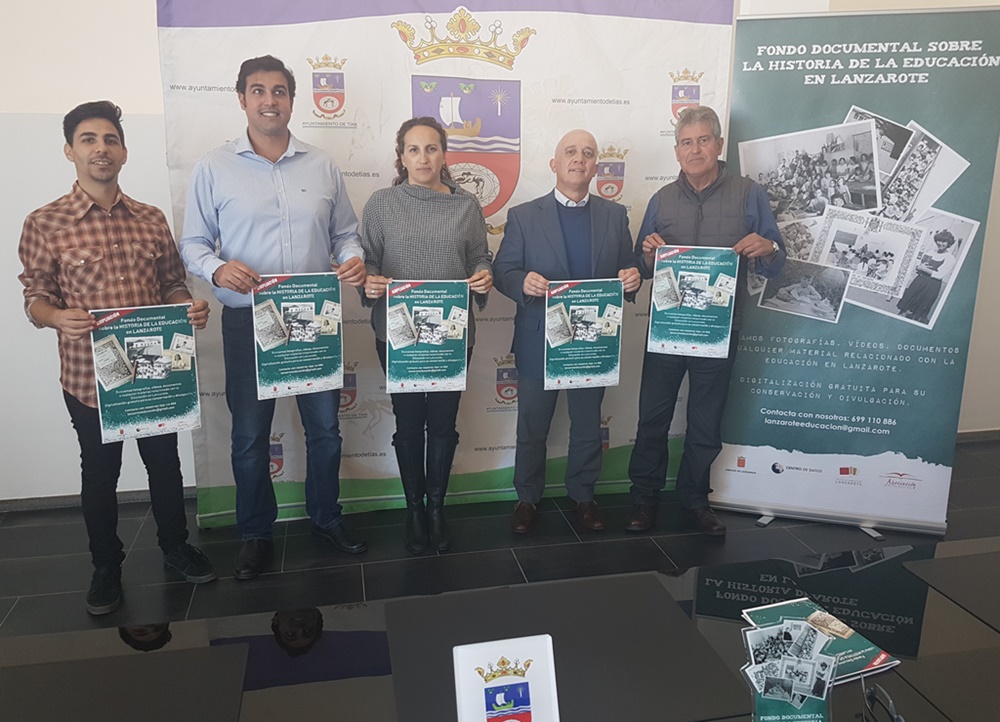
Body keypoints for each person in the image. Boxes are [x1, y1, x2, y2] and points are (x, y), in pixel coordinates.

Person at [17, 101, 217, 616]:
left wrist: (186, 307)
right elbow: (35, 297)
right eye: (88, 139)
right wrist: (57, 317)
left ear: (124, 152)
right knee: (100, 473)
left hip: (154, 370)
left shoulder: (150, 219)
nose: (100, 149)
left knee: (164, 464)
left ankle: (176, 547)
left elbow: (171, 284)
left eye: (110, 139)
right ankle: (106, 565)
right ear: (70, 151)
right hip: (90, 377)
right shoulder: (45, 222)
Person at [180, 55, 368, 580]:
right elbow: (192, 244)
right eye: (259, 90)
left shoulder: (322, 164)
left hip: (314, 318)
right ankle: (256, 533)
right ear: (242, 98)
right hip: (248, 323)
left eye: (280, 91)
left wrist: (353, 257)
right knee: (249, 437)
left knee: (325, 430)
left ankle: (326, 518)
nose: (270, 100)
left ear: (292, 99)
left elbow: (345, 233)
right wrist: (217, 270)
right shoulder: (214, 167)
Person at [626, 106, 786, 536]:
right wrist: (646, 255)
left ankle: (695, 499)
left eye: (703, 140)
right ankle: (643, 500)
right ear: (676, 151)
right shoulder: (661, 199)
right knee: (652, 420)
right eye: (686, 142)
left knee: (705, 422)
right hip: (667, 330)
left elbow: (776, 262)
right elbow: (641, 266)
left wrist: (768, 248)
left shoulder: (748, 193)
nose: (694, 150)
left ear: (718, 145)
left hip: (718, 331)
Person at [493, 129, 642, 534]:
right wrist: (522, 282)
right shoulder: (524, 215)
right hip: (538, 338)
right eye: (571, 152)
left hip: (592, 341)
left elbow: (628, 266)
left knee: (588, 425)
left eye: (588, 153)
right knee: (532, 425)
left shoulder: (615, 215)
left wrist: (632, 277)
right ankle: (527, 498)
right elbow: (503, 270)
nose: (579, 158)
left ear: (596, 167)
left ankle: (583, 496)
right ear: (555, 164)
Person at [360, 117, 493, 553]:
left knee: (442, 424)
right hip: (398, 335)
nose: (423, 158)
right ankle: (413, 509)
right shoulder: (381, 203)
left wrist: (483, 274)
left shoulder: (466, 205)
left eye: (431, 148)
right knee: (408, 422)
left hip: (451, 336)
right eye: (413, 149)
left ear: (443, 154)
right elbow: (370, 260)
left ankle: (437, 508)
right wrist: (370, 281)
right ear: (401, 156)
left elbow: (479, 256)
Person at [896, 230, 957, 324]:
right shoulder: (930, 252)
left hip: (931, 285)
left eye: (944, 241)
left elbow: (938, 275)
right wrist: (918, 267)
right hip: (918, 281)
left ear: (949, 243)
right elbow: (919, 266)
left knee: (918, 309)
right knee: (906, 305)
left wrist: (922, 268)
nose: (940, 243)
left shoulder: (950, 258)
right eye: (939, 240)